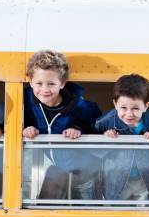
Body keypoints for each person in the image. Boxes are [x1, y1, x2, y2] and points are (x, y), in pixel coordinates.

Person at [22, 50, 102, 199]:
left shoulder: (79, 105)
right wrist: (26, 127)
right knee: (53, 178)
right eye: (39, 83)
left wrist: (79, 128)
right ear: (30, 81)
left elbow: (96, 121)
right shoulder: (26, 101)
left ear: (62, 84)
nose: (44, 89)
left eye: (51, 84)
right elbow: (16, 118)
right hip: (56, 164)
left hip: (85, 169)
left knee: (87, 206)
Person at [95, 74, 149, 201]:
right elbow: (91, 143)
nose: (129, 114)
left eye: (135, 108)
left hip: (143, 179)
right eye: (123, 108)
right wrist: (104, 137)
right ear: (115, 104)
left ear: (145, 106)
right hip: (116, 178)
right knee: (117, 210)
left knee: (145, 211)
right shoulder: (105, 122)